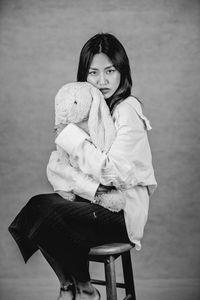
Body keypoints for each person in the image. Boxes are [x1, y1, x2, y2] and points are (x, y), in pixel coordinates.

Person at [8, 33, 157, 300]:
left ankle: (84, 288)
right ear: (83, 76)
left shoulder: (127, 110)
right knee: (38, 206)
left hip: (122, 213)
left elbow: (114, 173)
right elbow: (72, 170)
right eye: (93, 73)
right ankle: (70, 286)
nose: (102, 81)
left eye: (110, 71)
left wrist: (72, 137)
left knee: (48, 215)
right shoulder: (90, 109)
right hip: (94, 203)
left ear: (122, 71)